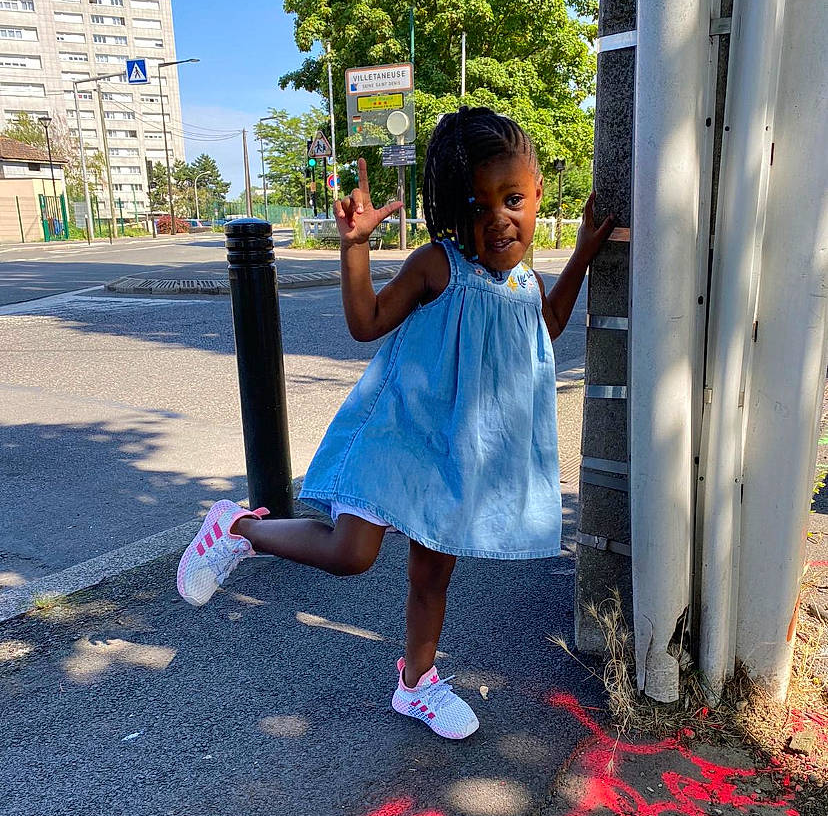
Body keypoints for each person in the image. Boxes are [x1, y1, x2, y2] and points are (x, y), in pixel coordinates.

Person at [177, 107, 615, 740]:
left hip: (454, 455)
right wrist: (354, 249)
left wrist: (580, 258)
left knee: (432, 574)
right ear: (449, 208)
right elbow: (366, 323)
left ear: (539, 191)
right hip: (401, 438)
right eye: (478, 203)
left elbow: (545, 328)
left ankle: (416, 684)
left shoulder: (525, 284)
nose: (499, 218)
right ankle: (238, 527)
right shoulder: (437, 265)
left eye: (513, 198)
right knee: (351, 553)